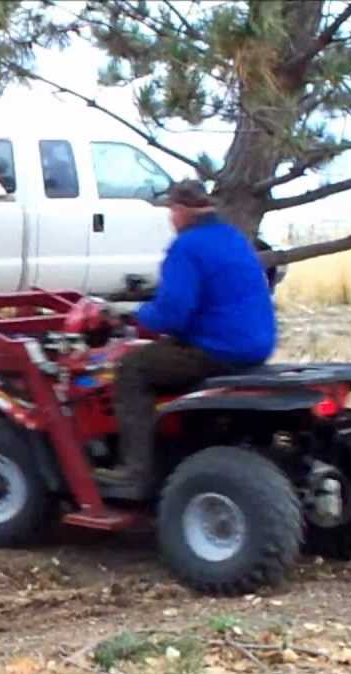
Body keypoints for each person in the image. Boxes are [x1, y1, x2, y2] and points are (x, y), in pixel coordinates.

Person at [100, 180, 278, 498]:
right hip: (256, 346)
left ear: (181, 211)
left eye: (171, 210)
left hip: (217, 349)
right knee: (165, 357)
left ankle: (134, 472)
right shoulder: (233, 239)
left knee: (132, 367)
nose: (170, 218)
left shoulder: (187, 247)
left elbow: (172, 314)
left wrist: (132, 315)